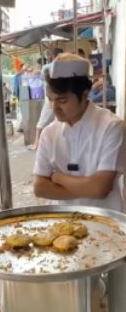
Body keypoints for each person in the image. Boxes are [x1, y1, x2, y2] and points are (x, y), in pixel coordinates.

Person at [32, 54, 126, 211]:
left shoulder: (111, 127)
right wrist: (88, 188)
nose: (55, 108)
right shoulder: (49, 134)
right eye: (50, 100)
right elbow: (39, 188)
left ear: (84, 95)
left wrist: (57, 177)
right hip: (62, 224)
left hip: (106, 223)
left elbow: (99, 189)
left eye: (62, 101)